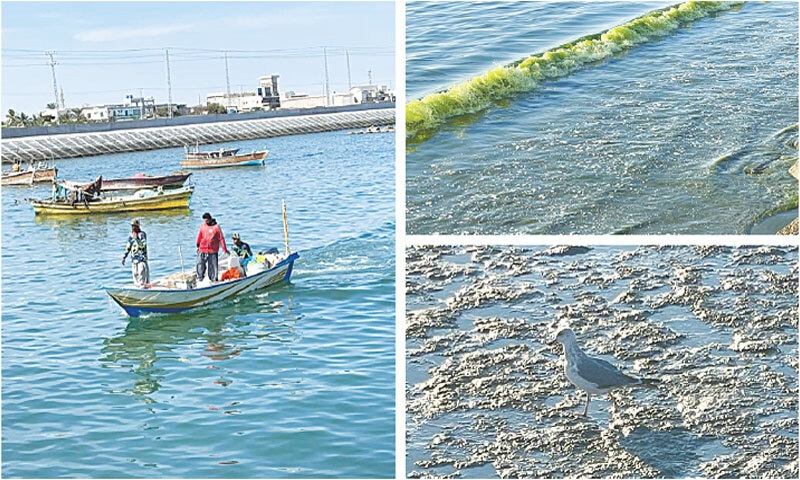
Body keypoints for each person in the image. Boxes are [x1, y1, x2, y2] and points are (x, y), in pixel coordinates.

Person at [196, 212, 228, 282]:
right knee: (200, 264)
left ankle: (213, 279)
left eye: (206, 220)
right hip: (202, 249)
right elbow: (200, 235)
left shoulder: (216, 227)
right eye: (204, 220)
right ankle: (199, 278)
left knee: (212, 266)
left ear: (210, 219)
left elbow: (221, 238)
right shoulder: (202, 226)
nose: (205, 222)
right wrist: (198, 245)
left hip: (213, 250)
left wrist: (224, 249)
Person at [122, 218, 149, 287]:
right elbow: (128, 247)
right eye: (132, 226)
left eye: (134, 226)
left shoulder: (142, 234)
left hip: (142, 259)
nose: (133, 228)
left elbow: (143, 245)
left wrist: (137, 239)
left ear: (138, 226)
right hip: (134, 260)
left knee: (142, 273)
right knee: (135, 274)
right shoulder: (131, 236)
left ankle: (144, 286)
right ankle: (137, 287)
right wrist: (124, 257)